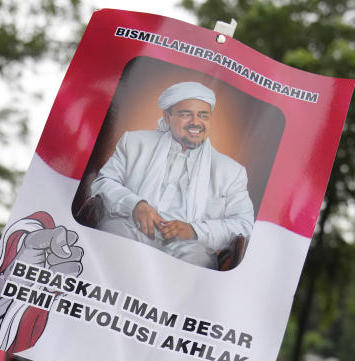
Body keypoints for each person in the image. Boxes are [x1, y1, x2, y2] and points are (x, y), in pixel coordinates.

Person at [89, 81, 254, 269]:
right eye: (186, 114)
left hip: (191, 247)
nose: (195, 122)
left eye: (203, 116)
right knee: (109, 240)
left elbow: (243, 224)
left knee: (196, 266)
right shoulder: (135, 142)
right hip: (130, 227)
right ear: (167, 117)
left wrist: (194, 230)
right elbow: (102, 182)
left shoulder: (231, 171)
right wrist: (135, 205)